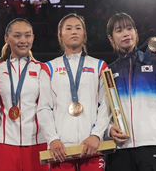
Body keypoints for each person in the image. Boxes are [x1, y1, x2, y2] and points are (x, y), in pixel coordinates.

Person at [105, 12, 156, 171]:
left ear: (136, 33)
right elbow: (104, 110)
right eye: (119, 30)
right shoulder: (109, 72)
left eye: (129, 28)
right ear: (111, 38)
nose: (125, 33)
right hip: (120, 148)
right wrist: (109, 129)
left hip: (153, 142)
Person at [37, 13, 111, 171]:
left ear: (84, 34)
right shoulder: (49, 68)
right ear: (60, 35)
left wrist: (96, 135)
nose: (74, 32)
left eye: (78, 28)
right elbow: (44, 107)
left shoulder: (99, 65)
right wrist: (53, 139)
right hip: (61, 147)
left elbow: (106, 105)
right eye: (68, 28)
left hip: (92, 144)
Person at [0, 18, 48, 171]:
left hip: (38, 141)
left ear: (33, 38)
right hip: (3, 141)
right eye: (17, 36)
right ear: (6, 39)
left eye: (27, 35)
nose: (23, 40)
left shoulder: (43, 69)